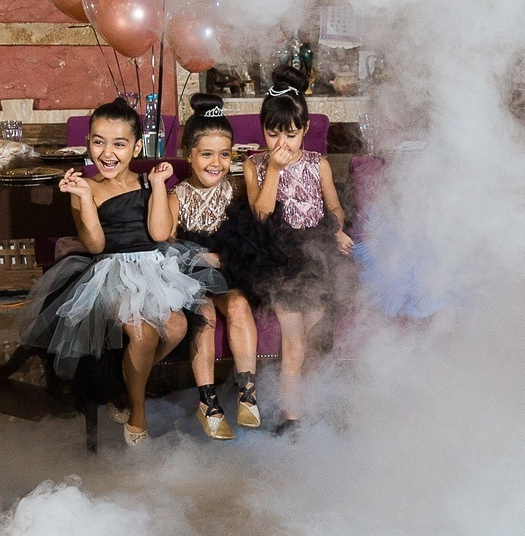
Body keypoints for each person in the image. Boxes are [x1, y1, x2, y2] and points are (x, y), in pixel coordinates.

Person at [24, 99, 216, 445]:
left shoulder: (147, 182)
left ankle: (124, 392)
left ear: (137, 147)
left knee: (178, 325)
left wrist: (159, 186)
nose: (107, 152)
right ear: (87, 143)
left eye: (119, 143)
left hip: (155, 269)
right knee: (141, 331)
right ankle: (138, 416)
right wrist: (84, 197)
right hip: (110, 272)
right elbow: (95, 244)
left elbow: (159, 234)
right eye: (98, 141)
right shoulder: (88, 187)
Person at [243, 77, 356, 427]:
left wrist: (335, 231)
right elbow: (260, 216)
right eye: (273, 134)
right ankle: (291, 417)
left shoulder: (317, 164)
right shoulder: (255, 165)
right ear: (263, 130)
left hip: (316, 253)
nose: (282, 143)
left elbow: (335, 209)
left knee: (315, 337)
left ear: (305, 130)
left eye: (290, 134)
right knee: (294, 342)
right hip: (278, 259)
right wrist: (274, 170)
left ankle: (313, 406)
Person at [174, 98, 268, 438]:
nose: (217, 163)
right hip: (188, 275)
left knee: (240, 305)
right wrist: (200, 258)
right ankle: (207, 401)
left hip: (227, 270)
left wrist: (226, 258)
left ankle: (248, 392)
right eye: (207, 154)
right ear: (188, 154)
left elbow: (249, 234)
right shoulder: (178, 195)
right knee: (204, 314)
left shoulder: (236, 190)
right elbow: (167, 245)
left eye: (225, 154)